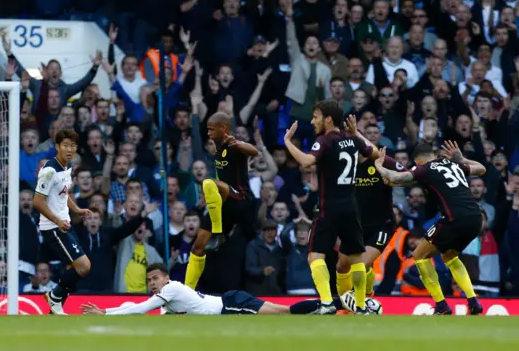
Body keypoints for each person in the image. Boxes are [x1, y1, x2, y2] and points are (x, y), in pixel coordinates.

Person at [283, 100, 377, 315]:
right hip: (351, 207)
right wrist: (356, 133)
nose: (312, 121)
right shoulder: (352, 139)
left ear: (328, 119)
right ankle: (361, 306)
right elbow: (372, 153)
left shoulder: (324, 140)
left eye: (315, 116)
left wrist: (288, 142)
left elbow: (307, 162)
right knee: (355, 259)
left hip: (329, 208)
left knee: (315, 256)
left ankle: (326, 303)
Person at [374, 141, 486, 315]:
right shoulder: (453, 164)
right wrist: (462, 158)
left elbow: (396, 177)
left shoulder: (424, 169)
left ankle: (441, 305)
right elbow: (481, 168)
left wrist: (379, 166)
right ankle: (473, 302)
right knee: (450, 256)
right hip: (476, 218)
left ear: (418, 160)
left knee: (419, 255)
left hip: (453, 218)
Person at [80, 263, 384, 315]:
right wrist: (106, 310)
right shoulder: (168, 293)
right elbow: (133, 307)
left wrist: (103, 311)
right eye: (149, 281)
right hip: (228, 302)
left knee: (285, 311)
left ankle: (334, 304)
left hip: (230, 305)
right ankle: (332, 306)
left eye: (154, 279)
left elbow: (141, 308)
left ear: (165, 278)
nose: (152, 284)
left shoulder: (170, 289)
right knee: (284, 312)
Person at [184, 112, 259, 290]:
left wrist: (240, 143)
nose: (208, 134)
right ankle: (186, 291)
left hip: (241, 198)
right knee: (198, 246)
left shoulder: (234, 145)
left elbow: (254, 151)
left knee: (210, 183)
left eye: (211, 130)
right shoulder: (217, 150)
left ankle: (218, 233)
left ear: (223, 129)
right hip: (224, 204)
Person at [336, 115, 408, 301]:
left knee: (360, 264)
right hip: (355, 225)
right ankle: (348, 302)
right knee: (341, 267)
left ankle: (359, 303)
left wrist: (392, 178)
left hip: (381, 225)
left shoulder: (382, 160)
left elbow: (405, 174)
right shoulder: (345, 164)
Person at [34, 129, 94, 315]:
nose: (70, 149)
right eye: (65, 145)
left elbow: (62, 193)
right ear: (57, 147)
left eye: (73, 145)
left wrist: (76, 210)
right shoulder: (50, 170)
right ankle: (54, 297)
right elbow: (38, 201)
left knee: (72, 269)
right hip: (53, 227)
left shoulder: (66, 167)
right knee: (84, 266)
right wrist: (57, 220)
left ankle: (55, 308)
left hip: (64, 224)